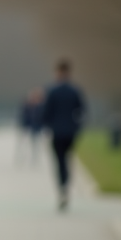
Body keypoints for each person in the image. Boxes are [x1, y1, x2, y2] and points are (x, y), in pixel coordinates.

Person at [41, 59, 85, 210]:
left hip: (57, 132)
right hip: (71, 131)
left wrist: (47, 126)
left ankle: (62, 187)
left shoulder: (52, 91)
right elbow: (81, 111)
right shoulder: (75, 90)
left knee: (60, 161)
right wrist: (77, 127)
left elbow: (46, 112)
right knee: (67, 159)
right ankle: (66, 185)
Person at [17, 87, 44, 165]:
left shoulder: (40, 106)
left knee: (36, 144)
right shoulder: (26, 106)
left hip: (36, 128)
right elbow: (22, 116)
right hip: (27, 127)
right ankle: (22, 159)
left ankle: (35, 159)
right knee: (24, 144)